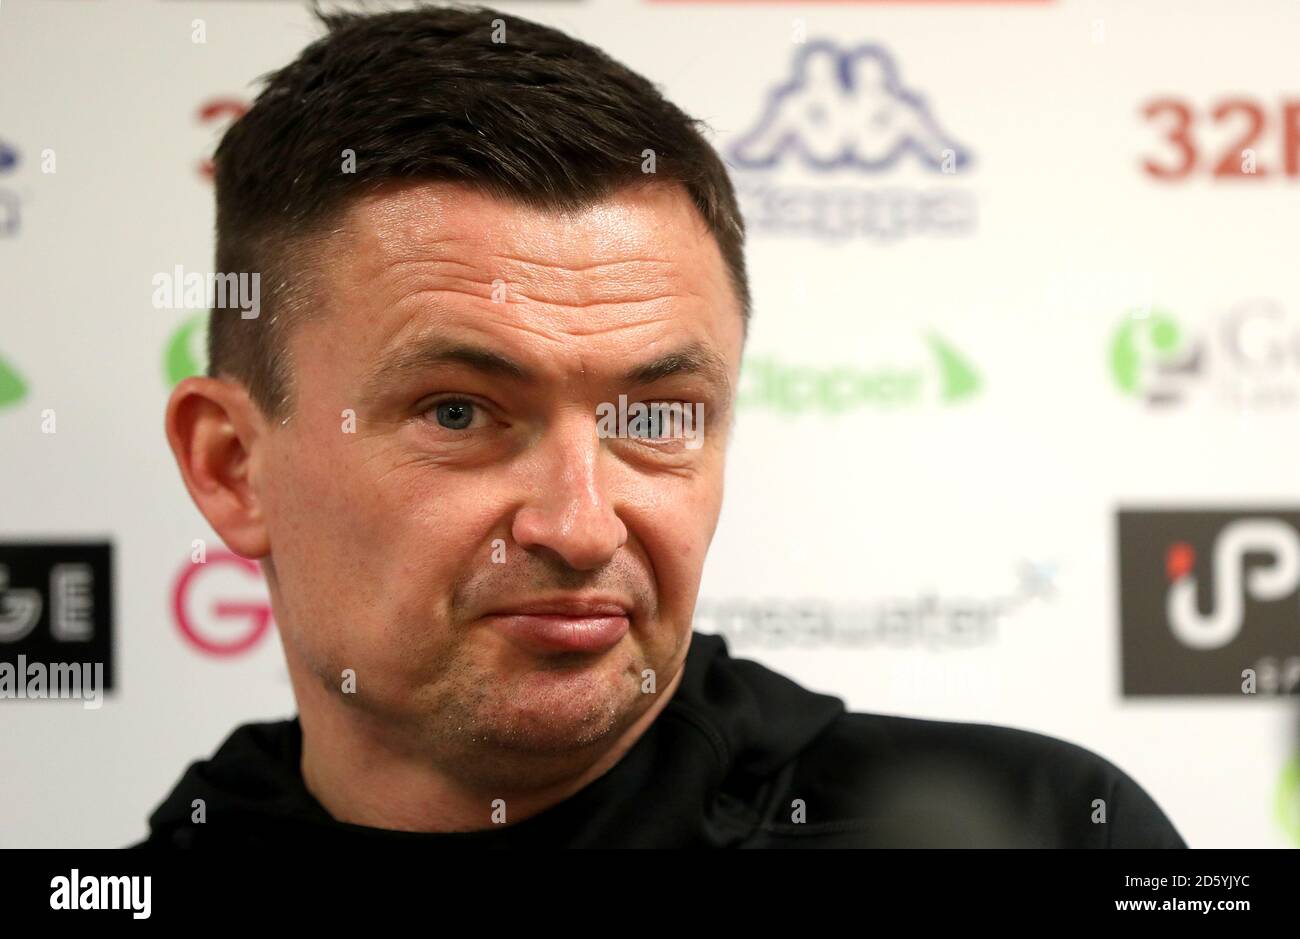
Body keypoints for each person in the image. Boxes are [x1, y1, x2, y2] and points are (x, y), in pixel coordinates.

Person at [140, 3, 1184, 848]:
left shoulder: (1041, 833)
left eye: (653, 416)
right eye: (459, 412)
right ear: (232, 467)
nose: (582, 526)